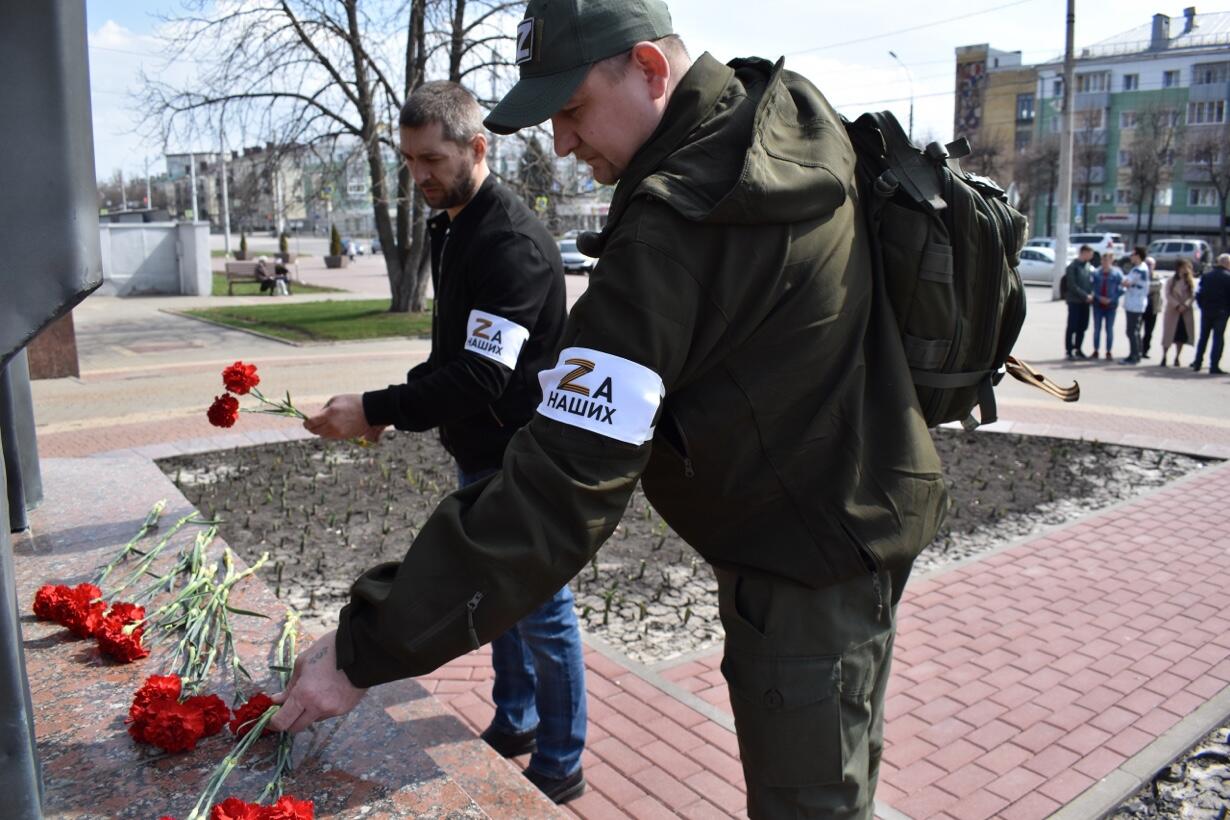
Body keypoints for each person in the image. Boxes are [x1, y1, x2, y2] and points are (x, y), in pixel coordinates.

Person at [272, 2, 948, 817]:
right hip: (867, 502)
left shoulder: (678, 224)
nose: (561, 142)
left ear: (650, 69)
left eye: (571, 109)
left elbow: (563, 484)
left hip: (802, 557)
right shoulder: (782, 115)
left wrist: (365, 645)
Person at [298, 82, 588, 802]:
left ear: (477, 147)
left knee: (543, 614)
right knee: (495, 601)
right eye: (409, 161)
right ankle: (515, 721)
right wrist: (392, 409)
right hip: (480, 450)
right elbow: (451, 355)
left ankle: (561, 761)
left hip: (524, 456)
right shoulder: (452, 224)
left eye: (432, 159)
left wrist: (374, 405)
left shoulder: (511, 242)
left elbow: (484, 376)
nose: (420, 175)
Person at [1191, 252, 1230, 375]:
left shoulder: (1207, 276)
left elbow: (1199, 293)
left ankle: (1197, 362)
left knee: (1203, 337)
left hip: (1206, 311)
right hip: (1221, 312)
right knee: (1218, 338)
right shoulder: (1228, 277)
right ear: (1227, 263)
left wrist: (1202, 306)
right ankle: (1214, 365)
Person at [1160, 259, 1197, 367]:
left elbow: (1193, 295)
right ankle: (1164, 356)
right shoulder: (1171, 281)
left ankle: (1177, 357)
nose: (1186, 269)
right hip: (1173, 311)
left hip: (1185, 312)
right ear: (1179, 268)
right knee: (1168, 335)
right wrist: (1177, 305)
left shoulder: (1190, 281)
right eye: (1184, 267)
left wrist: (1185, 305)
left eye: (1188, 267)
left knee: (1181, 336)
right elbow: (1167, 295)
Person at [1063, 245, 1095, 360]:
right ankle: (1069, 350)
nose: (1091, 256)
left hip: (1085, 302)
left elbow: (1091, 283)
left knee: (1083, 326)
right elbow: (1072, 285)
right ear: (1083, 252)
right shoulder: (1072, 266)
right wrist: (1085, 296)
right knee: (1072, 326)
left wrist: (1091, 295)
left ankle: (1078, 349)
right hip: (1075, 301)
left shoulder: (1088, 266)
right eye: (1090, 254)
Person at [1091, 252, 1123, 360]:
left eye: (1107, 260)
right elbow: (1092, 288)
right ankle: (1096, 350)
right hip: (1098, 305)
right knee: (1097, 328)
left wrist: (1111, 299)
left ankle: (1108, 351)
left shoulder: (1116, 274)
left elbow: (1122, 288)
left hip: (1111, 306)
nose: (1105, 262)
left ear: (1111, 261)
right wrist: (1099, 298)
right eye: (1103, 260)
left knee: (1109, 329)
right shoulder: (1096, 273)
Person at [1120, 246, 1149, 365]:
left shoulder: (1139, 270)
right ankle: (1135, 354)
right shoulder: (1140, 268)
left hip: (1135, 303)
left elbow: (1126, 283)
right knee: (1134, 330)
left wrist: (1122, 281)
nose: (1131, 257)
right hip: (1135, 303)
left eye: (1132, 255)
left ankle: (1135, 355)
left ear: (1138, 256)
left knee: (1132, 331)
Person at [1140, 255, 1162, 358]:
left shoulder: (1157, 276)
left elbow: (1158, 286)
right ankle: (1137, 349)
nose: (1149, 266)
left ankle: (1145, 350)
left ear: (1154, 265)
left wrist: (1146, 287)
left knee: (1149, 331)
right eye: (1147, 264)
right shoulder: (1140, 275)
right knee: (1136, 330)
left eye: (1151, 264)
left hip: (1153, 308)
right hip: (1140, 307)